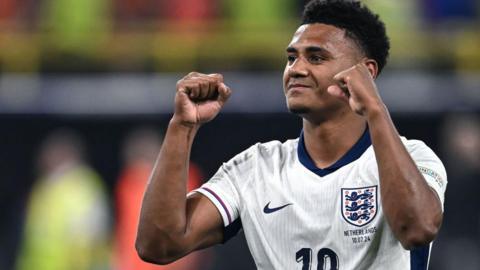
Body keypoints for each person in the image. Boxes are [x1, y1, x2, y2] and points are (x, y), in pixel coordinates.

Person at [136, 1, 447, 269]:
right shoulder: (255, 168)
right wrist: (182, 127)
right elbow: (159, 244)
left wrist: (375, 110)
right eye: (291, 57)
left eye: (316, 57)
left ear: (366, 71)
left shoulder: (413, 158)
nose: (295, 69)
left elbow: (416, 228)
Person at [114, 127, 213, 270]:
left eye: (143, 158)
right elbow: (124, 228)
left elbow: (195, 225)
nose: (139, 168)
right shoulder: (127, 183)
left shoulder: (183, 176)